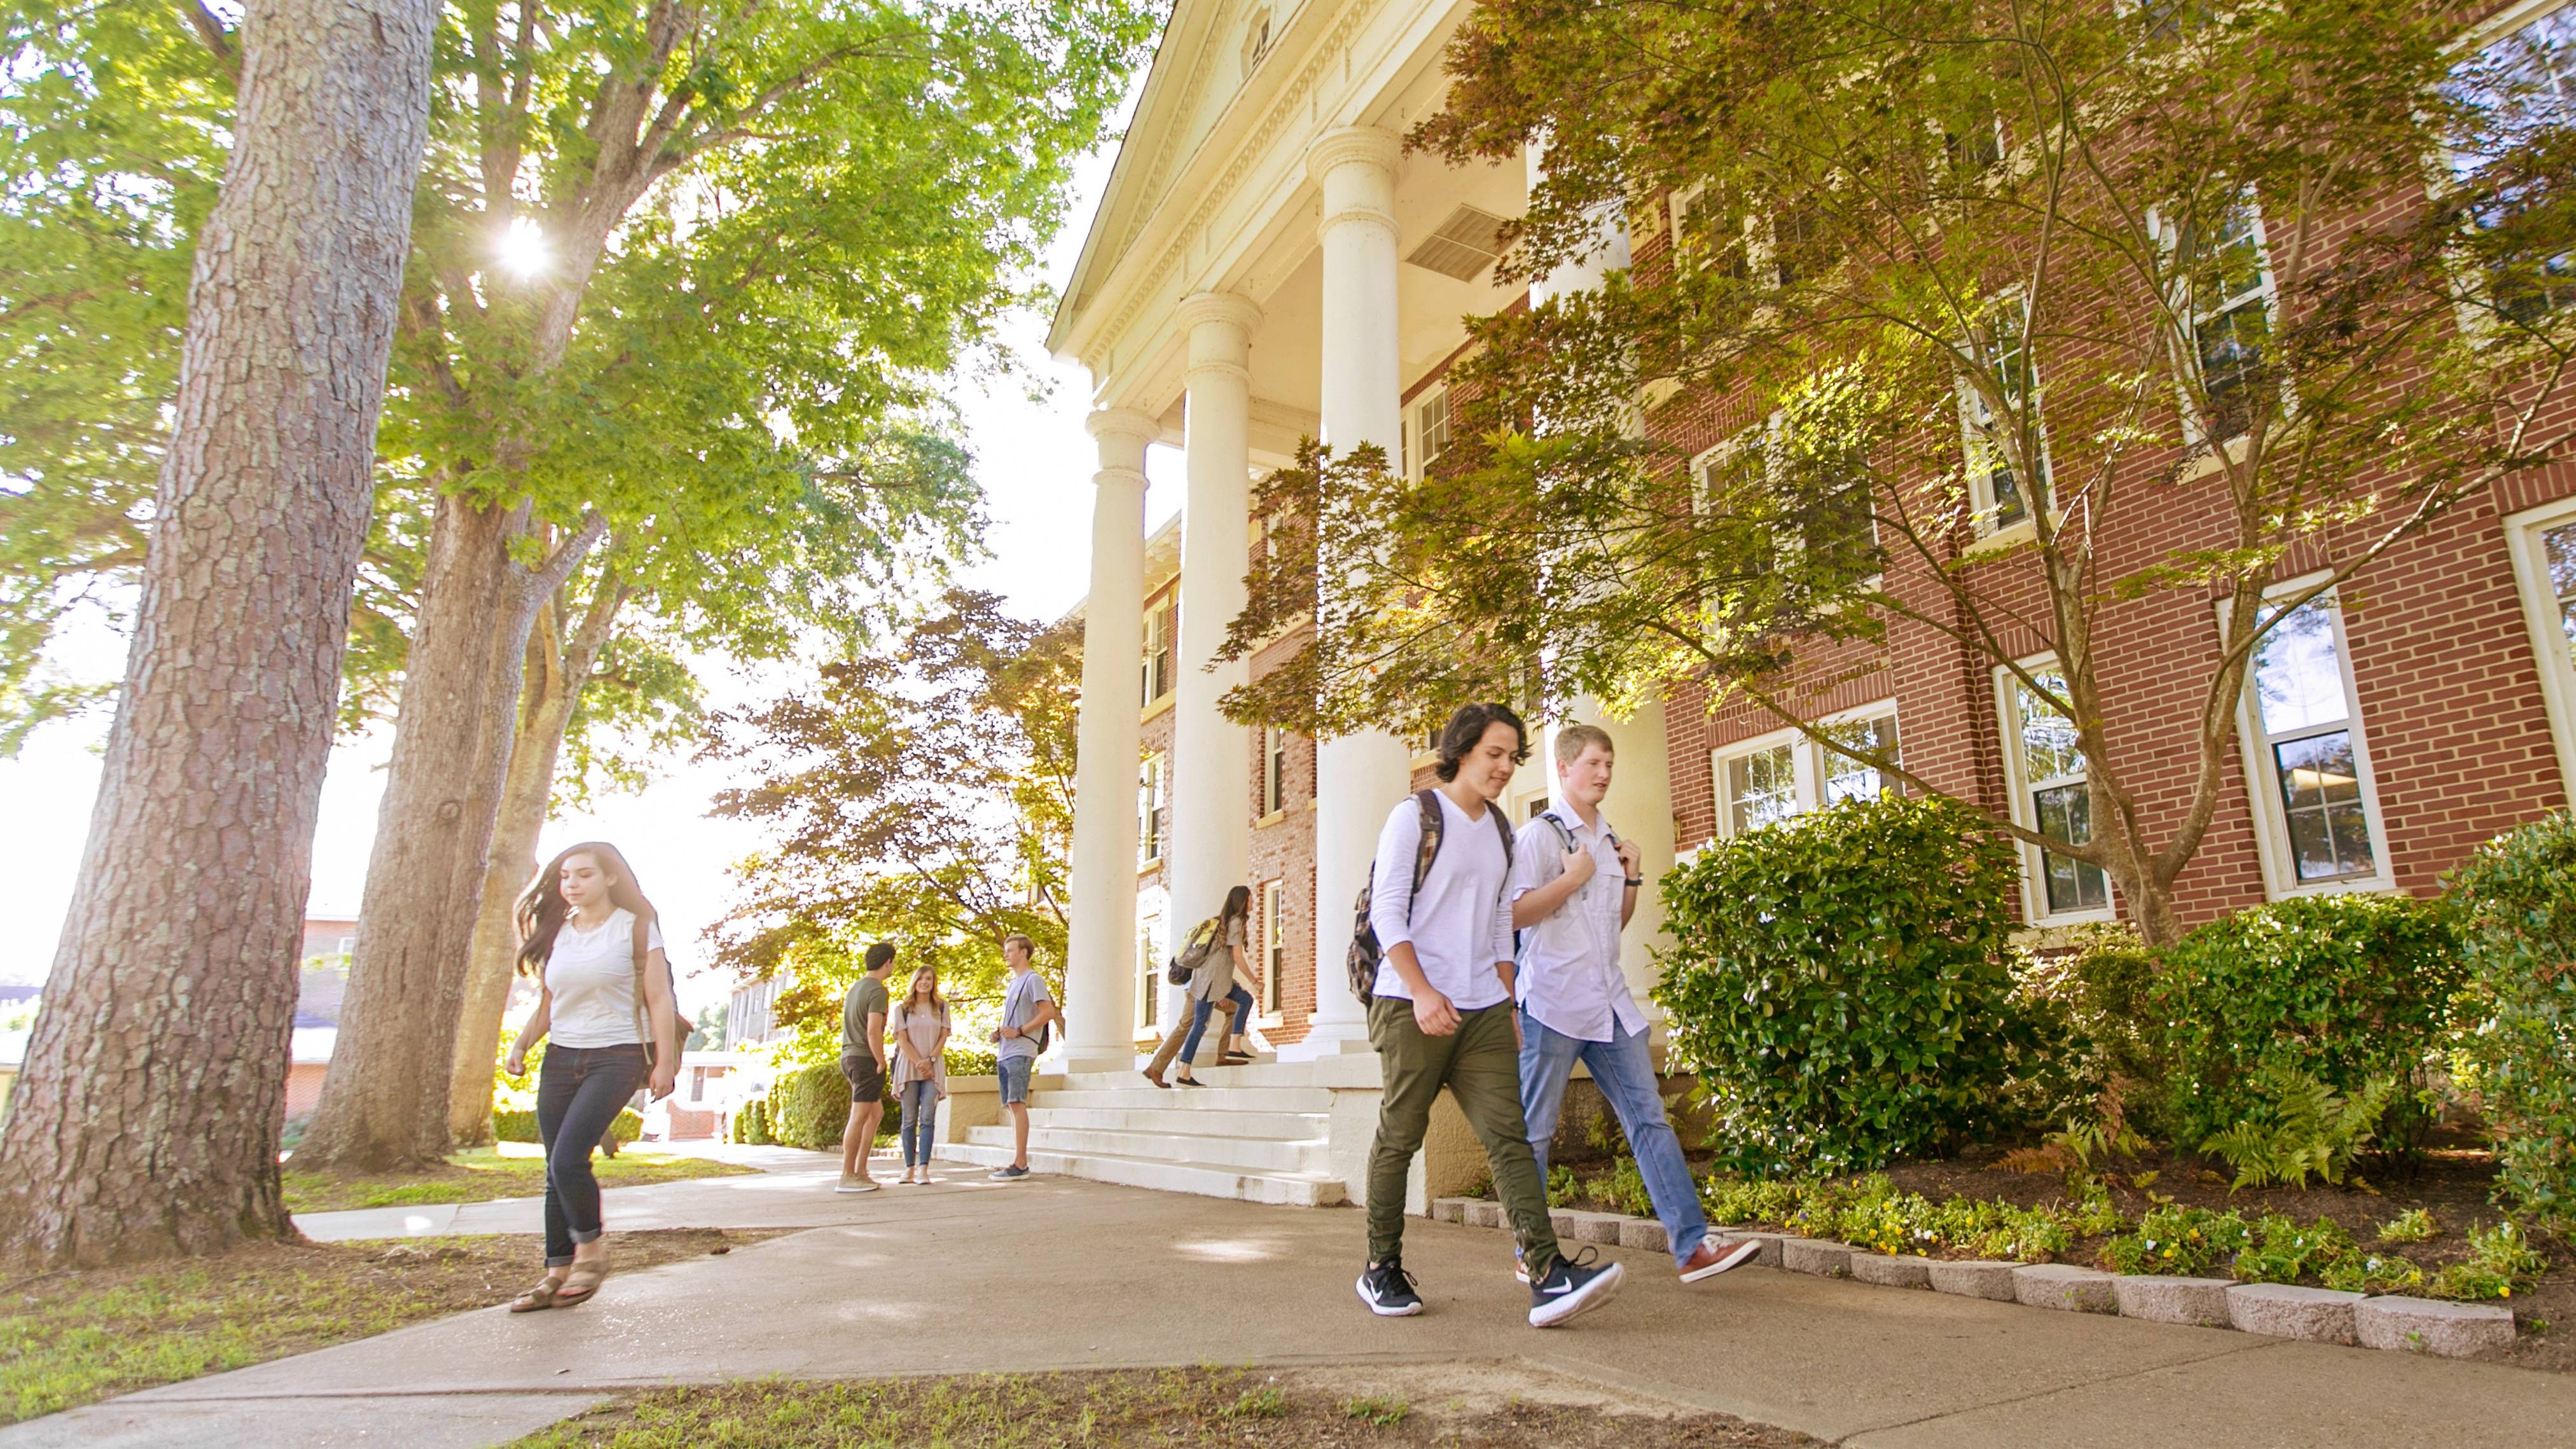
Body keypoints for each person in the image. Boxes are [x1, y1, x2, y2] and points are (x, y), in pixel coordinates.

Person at [1355, 702, 1624, 1329]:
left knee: (1511, 1137)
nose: (1505, 767)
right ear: (1462, 749)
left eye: (1513, 756)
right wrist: (1422, 991)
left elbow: (1503, 923)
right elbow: (1387, 914)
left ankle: (1548, 1272)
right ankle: (1381, 1268)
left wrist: (1506, 1000)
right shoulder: (1415, 816)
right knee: (1401, 1134)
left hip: (1481, 1008)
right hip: (1408, 1003)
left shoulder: (1503, 829)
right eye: (1494, 754)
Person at [1511, 723, 1762, 1286]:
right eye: (1595, 764)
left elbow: (1612, 928)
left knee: (1650, 1119)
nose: (1604, 773)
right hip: (1551, 1004)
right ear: (1566, 768)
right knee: (1535, 1132)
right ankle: (1532, 1251)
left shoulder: (1609, 838)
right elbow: (1515, 916)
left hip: (1610, 1005)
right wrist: (1573, 879)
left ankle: (1692, 1247)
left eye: (1610, 765)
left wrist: (1631, 879)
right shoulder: (1540, 838)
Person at [501, 842, 679, 1312]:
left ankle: (593, 1253)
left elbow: (659, 998)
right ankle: (556, 1271)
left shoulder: (636, 929)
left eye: (583, 875)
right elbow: (550, 1001)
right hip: (561, 1056)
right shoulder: (559, 933)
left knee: (567, 1160)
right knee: (552, 1171)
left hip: (616, 1055)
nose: (572, 885)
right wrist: (522, 1044)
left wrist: (665, 1062)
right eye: (565, 877)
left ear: (610, 879)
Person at [1142, 885, 1257, 1088]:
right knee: (1204, 1020)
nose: (1253, 902)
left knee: (1218, 1014)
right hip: (1205, 986)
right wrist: (1239, 984)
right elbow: (1230, 959)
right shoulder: (1234, 924)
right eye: (1250, 899)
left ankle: (1160, 1068)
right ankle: (1218, 1055)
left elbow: (1218, 961)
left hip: (1197, 982)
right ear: (1242, 902)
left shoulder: (1219, 924)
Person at [988, 932, 1059, 1181]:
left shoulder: (1033, 980)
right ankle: (1018, 1160)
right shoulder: (1013, 983)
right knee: (1012, 1105)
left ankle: (1020, 1163)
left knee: (1017, 1103)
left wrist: (1019, 1031)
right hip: (1006, 1051)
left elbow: (1048, 1012)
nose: (1006, 954)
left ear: (1023, 953)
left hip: (1021, 1050)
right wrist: (1002, 1033)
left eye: (1010, 950)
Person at [837, 941, 897, 1193]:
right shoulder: (877, 990)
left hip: (849, 1056)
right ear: (888, 963)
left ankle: (861, 1171)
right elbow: (873, 1029)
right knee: (860, 1115)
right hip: (864, 1058)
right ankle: (847, 1175)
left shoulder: (856, 988)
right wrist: (881, 1059)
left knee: (875, 1113)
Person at [889, 963, 951, 1185]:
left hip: (933, 1068)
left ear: (934, 983)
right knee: (909, 1120)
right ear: (914, 982)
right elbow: (902, 1039)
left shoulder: (941, 1007)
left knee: (927, 1118)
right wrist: (919, 1063)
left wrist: (931, 1060)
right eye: (921, 978)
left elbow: (943, 1036)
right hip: (908, 1068)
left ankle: (924, 1167)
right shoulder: (902, 1009)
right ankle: (909, 1168)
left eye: (929, 979)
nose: (925, 982)